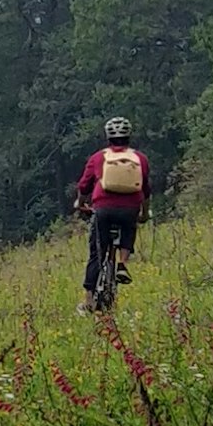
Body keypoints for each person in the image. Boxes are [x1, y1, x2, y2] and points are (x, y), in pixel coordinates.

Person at [70, 116, 150, 311]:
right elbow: (146, 189)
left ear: (107, 137)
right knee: (129, 228)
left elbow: (84, 185)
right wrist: (144, 213)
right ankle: (122, 263)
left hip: (103, 208)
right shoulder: (140, 158)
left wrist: (81, 203)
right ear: (129, 136)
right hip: (130, 208)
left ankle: (89, 300)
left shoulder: (98, 157)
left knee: (96, 254)